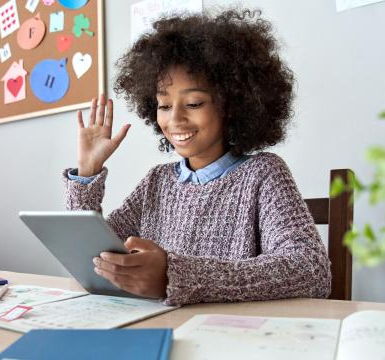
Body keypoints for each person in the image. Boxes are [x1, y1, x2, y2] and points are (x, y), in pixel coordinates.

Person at [63, 9, 331, 306]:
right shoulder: (157, 181)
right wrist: (88, 173)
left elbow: (310, 270)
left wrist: (175, 276)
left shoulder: (263, 174)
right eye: (164, 105)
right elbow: (90, 256)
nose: (175, 118)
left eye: (193, 103)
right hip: (156, 329)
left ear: (231, 104)